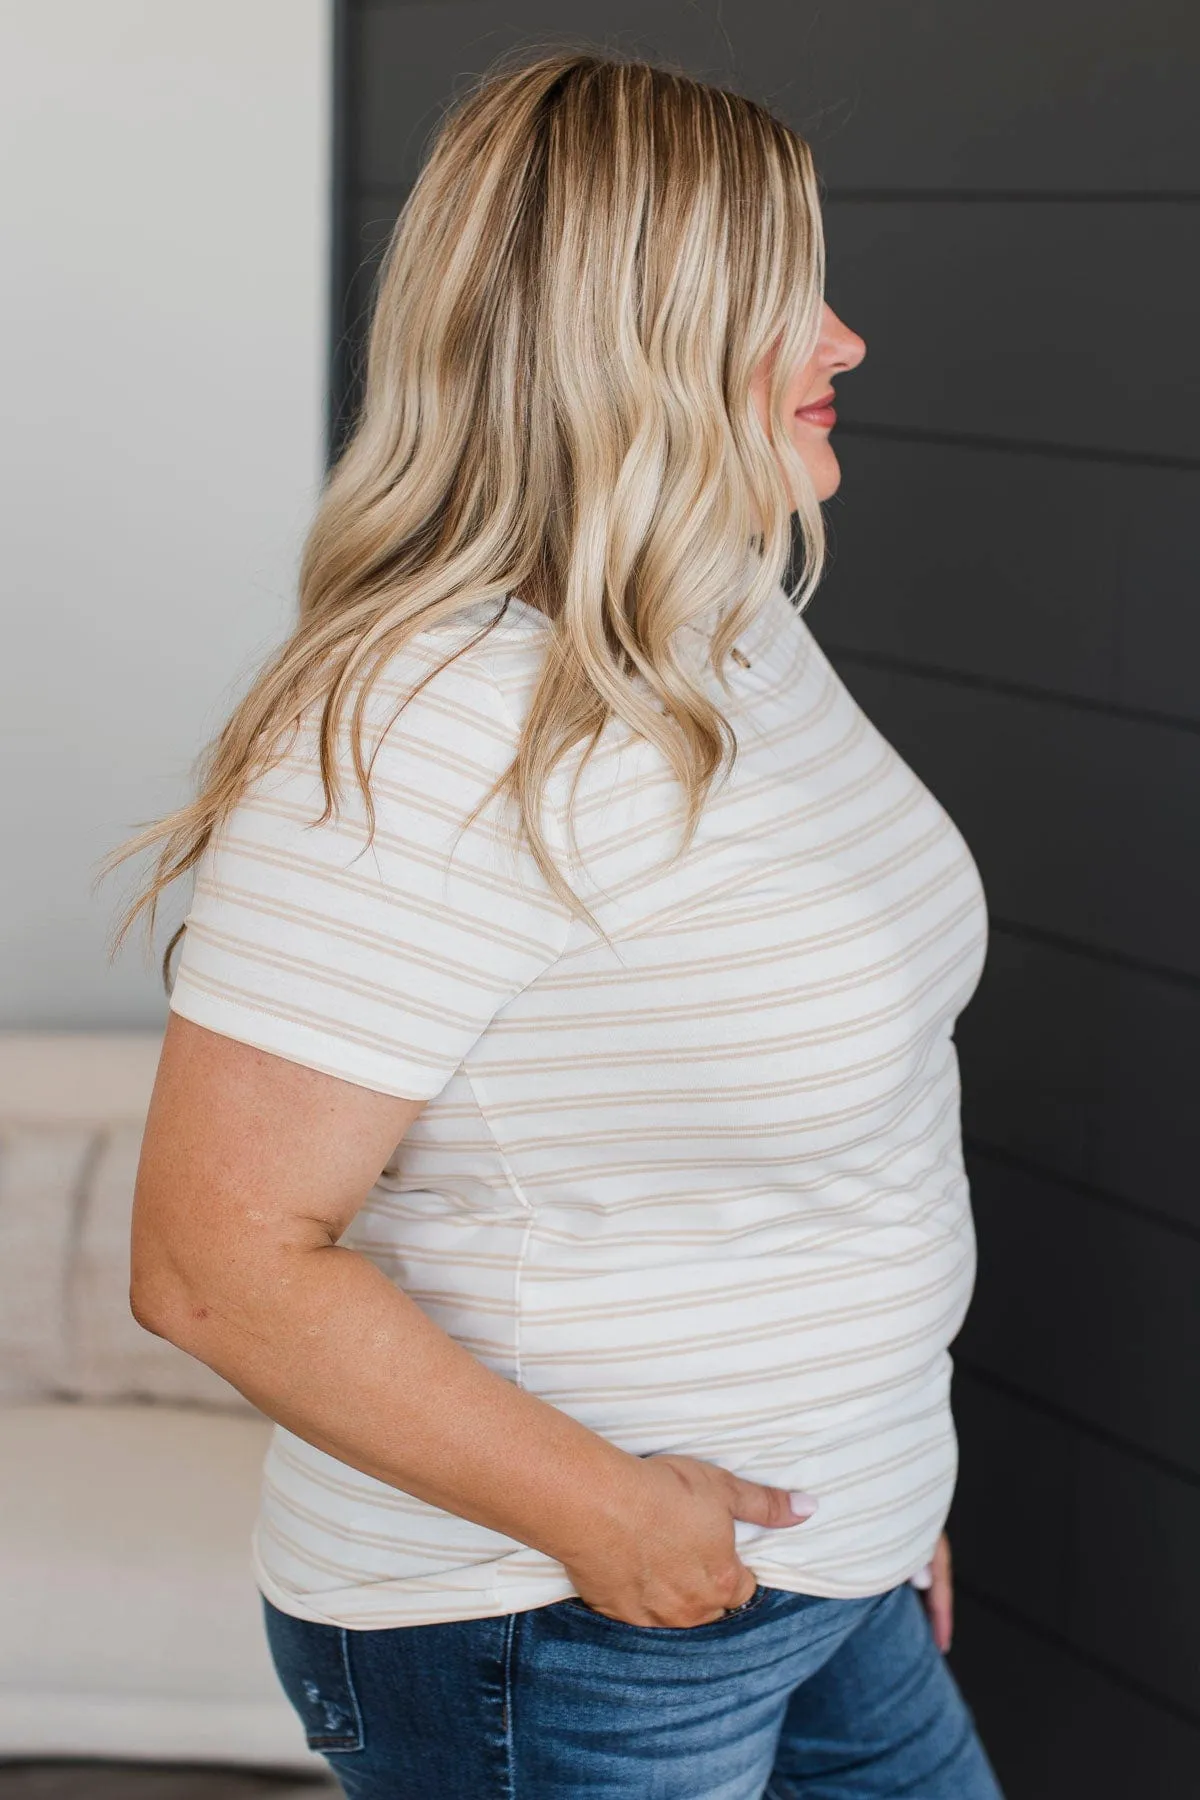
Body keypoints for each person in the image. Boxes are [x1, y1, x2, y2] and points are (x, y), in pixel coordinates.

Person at [107, 47, 1003, 1800]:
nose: (844, 343)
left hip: (831, 1566)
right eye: (780, 302)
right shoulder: (428, 725)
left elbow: (874, 1103)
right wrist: (612, 1520)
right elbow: (214, 1266)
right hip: (558, 1618)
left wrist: (889, 1478)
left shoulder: (725, 614)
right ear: (634, 345)